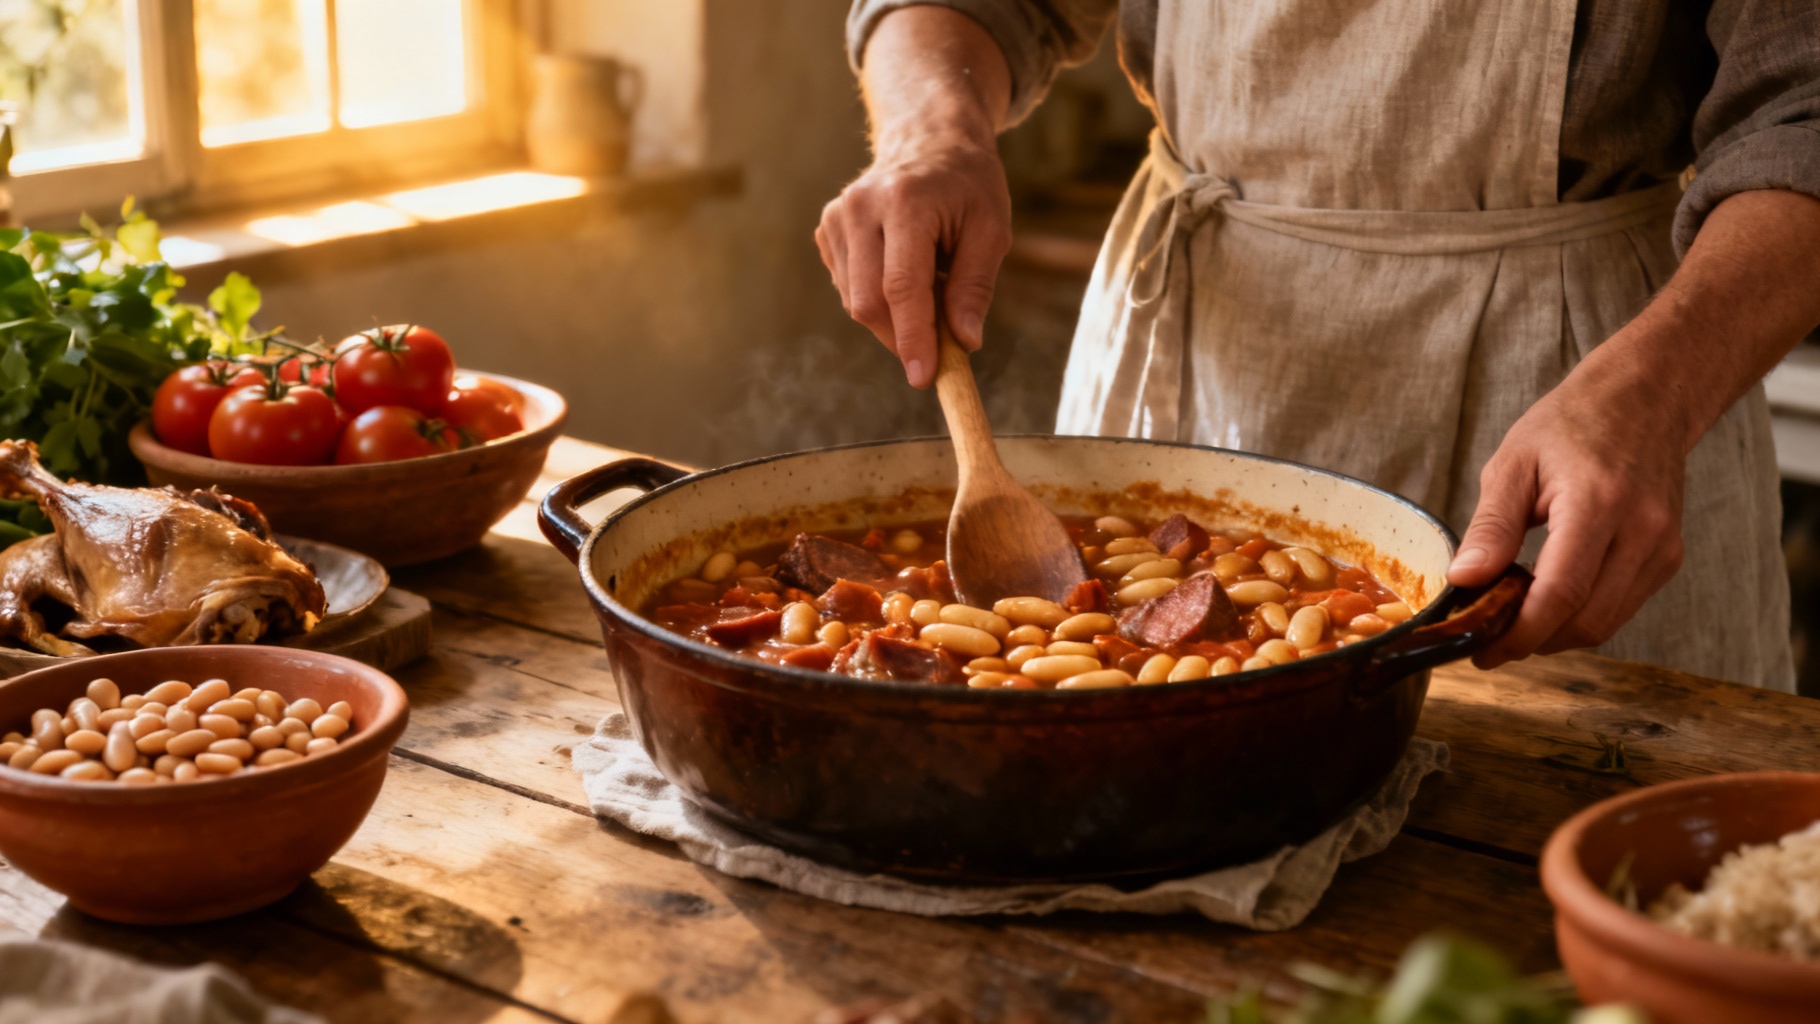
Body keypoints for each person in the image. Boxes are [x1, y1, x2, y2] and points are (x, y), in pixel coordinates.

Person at [815, 1, 1820, 689]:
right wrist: (930, 131)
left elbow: (1803, 112)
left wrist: (1650, 394)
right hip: (1192, 339)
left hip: (1594, 375)